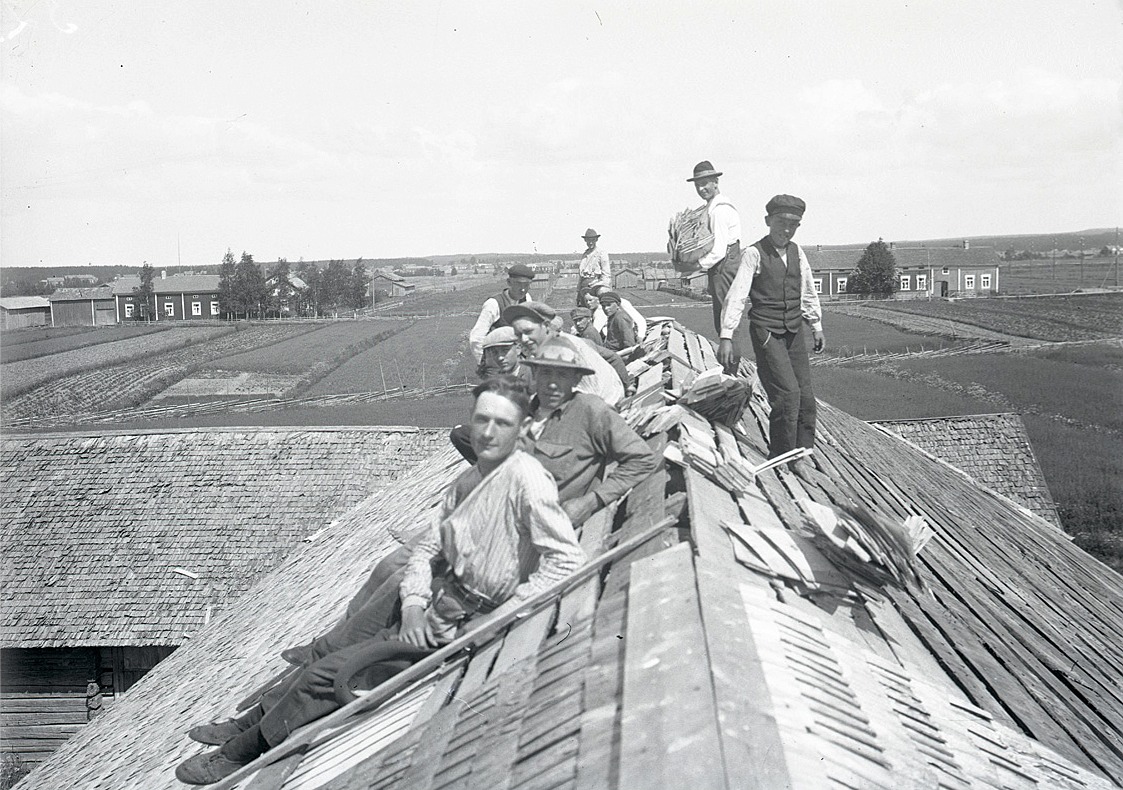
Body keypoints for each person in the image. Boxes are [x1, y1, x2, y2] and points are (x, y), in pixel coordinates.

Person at [176, 376, 585, 785]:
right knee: (331, 648)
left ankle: (240, 753)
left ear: (524, 427)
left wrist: (495, 619)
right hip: (433, 595)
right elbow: (428, 548)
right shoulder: (474, 476)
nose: (488, 432)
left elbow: (566, 559)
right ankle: (251, 721)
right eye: (481, 420)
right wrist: (411, 605)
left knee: (328, 677)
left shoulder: (528, 482)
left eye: (503, 423)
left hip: (461, 619)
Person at [718, 194, 825, 464]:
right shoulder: (754, 254)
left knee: (806, 396)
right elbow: (737, 296)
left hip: (793, 330)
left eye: (794, 225)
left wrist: (816, 325)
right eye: (781, 223)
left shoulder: (796, 252)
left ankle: (803, 451)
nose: (786, 230)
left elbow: (807, 289)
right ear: (768, 221)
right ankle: (783, 454)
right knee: (787, 395)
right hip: (767, 333)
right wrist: (726, 336)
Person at [522, 337, 658, 527]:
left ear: (576, 378)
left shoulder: (591, 411)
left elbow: (643, 460)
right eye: (546, 373)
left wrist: (591, 501)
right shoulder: (523, 412)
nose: (552, 383)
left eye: (562, 375)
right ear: (535, 374)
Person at [504, 301, 624, 407]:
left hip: (603, 407)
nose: (524, 339)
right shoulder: (546, 348)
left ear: (545, 326)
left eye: (528, 331)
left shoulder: (564, 348)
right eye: (519, 335)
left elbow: (582, 397)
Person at [687, 160, 743, 371]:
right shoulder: (711, 207)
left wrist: (694, 267)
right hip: (720, 268)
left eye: (705, 184)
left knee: (728, 322)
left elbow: (718, 251)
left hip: (724, 266)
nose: (701, 189)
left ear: (716, 182)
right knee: (723, 322)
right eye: (698, 185)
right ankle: (729, 369)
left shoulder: (719, 210)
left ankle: (731, 372)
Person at [468, 264, 535, 363]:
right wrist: (486, 365)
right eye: (518, 284)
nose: (523, 289)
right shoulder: (493, 304)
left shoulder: (527, 299)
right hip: (499, 363)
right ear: (509, 282)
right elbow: (476, 339)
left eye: (526, 285)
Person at [584, 285, 648, 343]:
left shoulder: (622, 303)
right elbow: (598, 323)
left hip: (625, 333)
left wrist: (640, 336)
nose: (603, 297)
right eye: (599, 296)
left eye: (604, 294)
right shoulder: (600, 307)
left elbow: (640, 320)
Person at [576, 228, 611, 301]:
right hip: (584, 289)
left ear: (596, 240)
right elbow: (581, 277)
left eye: (593, 240)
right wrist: (578, 291)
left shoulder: (601, 254)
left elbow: (606, 276)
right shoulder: (585, 255)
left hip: (596, 288)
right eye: (588, 240)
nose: (590, 242)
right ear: (585, 241)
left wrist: (599, 289)